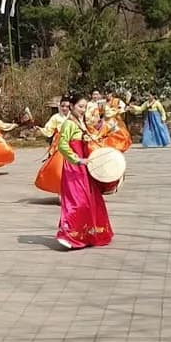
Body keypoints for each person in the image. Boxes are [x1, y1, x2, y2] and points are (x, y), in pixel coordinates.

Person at [55, 94, 114, 250]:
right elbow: (62, 145)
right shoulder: (68, 124)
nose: (83, 110)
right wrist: (77, 159)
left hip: (85, 167)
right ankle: (68, 235)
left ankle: (88, 235)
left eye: (85, 107)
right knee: (76, 201)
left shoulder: (81, 122)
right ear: (72, 106)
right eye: (80, 106)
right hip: (74, 168)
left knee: (91, 201)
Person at [34, 98, 70, 196]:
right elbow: (48, 130)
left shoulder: (73, 116)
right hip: (59, 144)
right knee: (58, 168)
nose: (65, 108)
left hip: (72, 144)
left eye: (67, 106)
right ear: (60, 106)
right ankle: (60, 191)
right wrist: (41, 130)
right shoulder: (56, 117)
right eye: (63, 106)